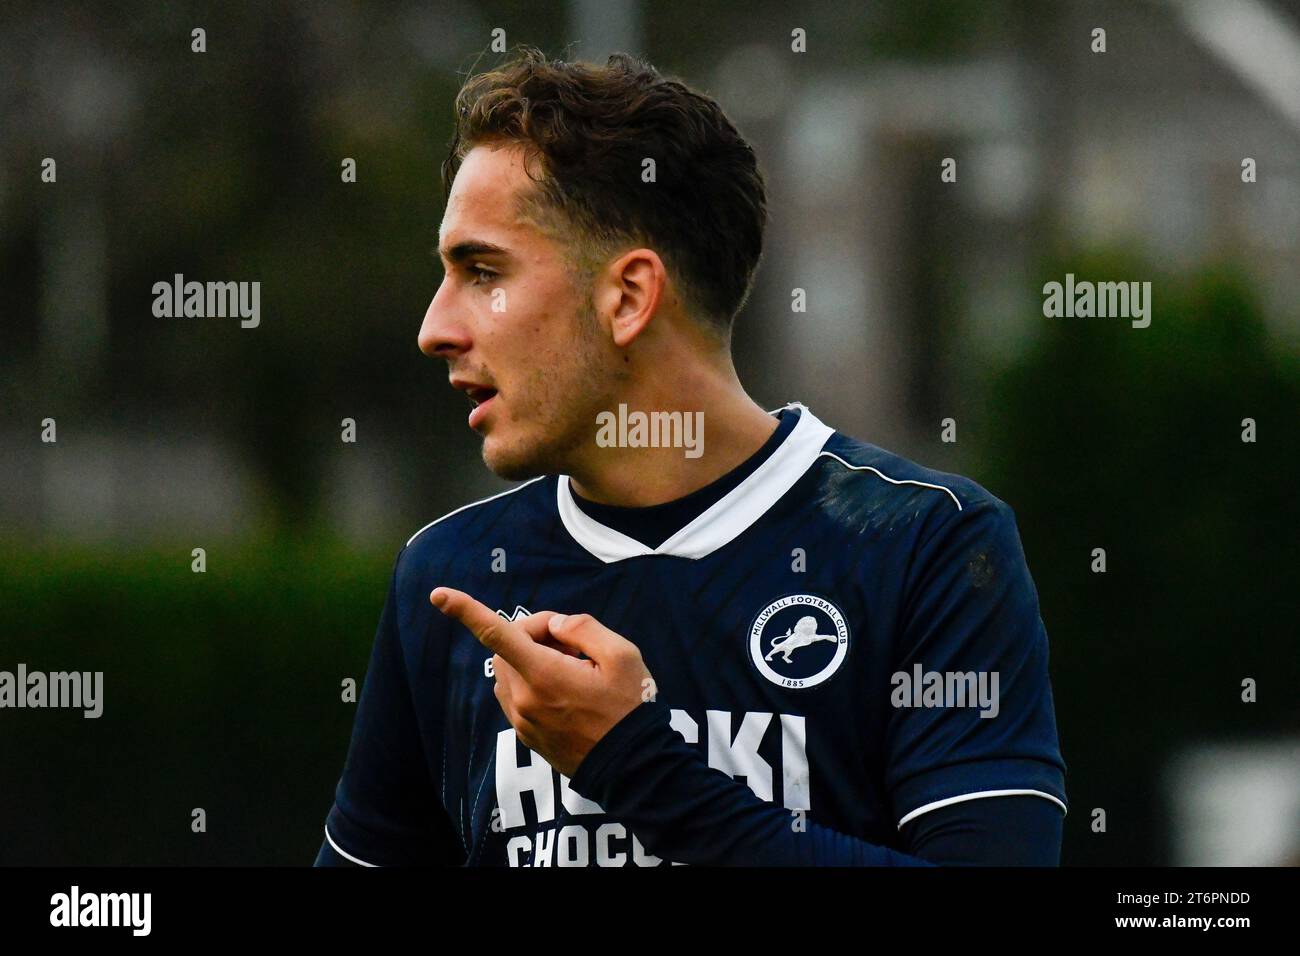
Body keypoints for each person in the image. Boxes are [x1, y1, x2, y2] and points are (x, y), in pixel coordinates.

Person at [315, 47, 1066, 867]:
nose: (436, 328)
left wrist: (635, 763)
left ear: (629, 297)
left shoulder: (926, 545)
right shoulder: (449, 576)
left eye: (482, 271)